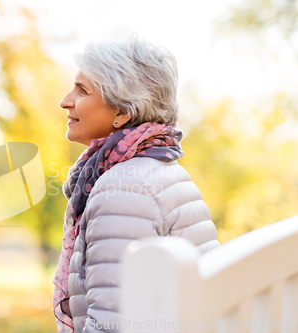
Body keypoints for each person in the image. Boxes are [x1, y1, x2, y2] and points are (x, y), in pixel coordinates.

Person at [52, 32, 221, 333]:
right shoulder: (159, 169)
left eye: (81, 90)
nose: (65, 101)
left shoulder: (122, 188)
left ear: (122, 111)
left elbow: (112, 325)